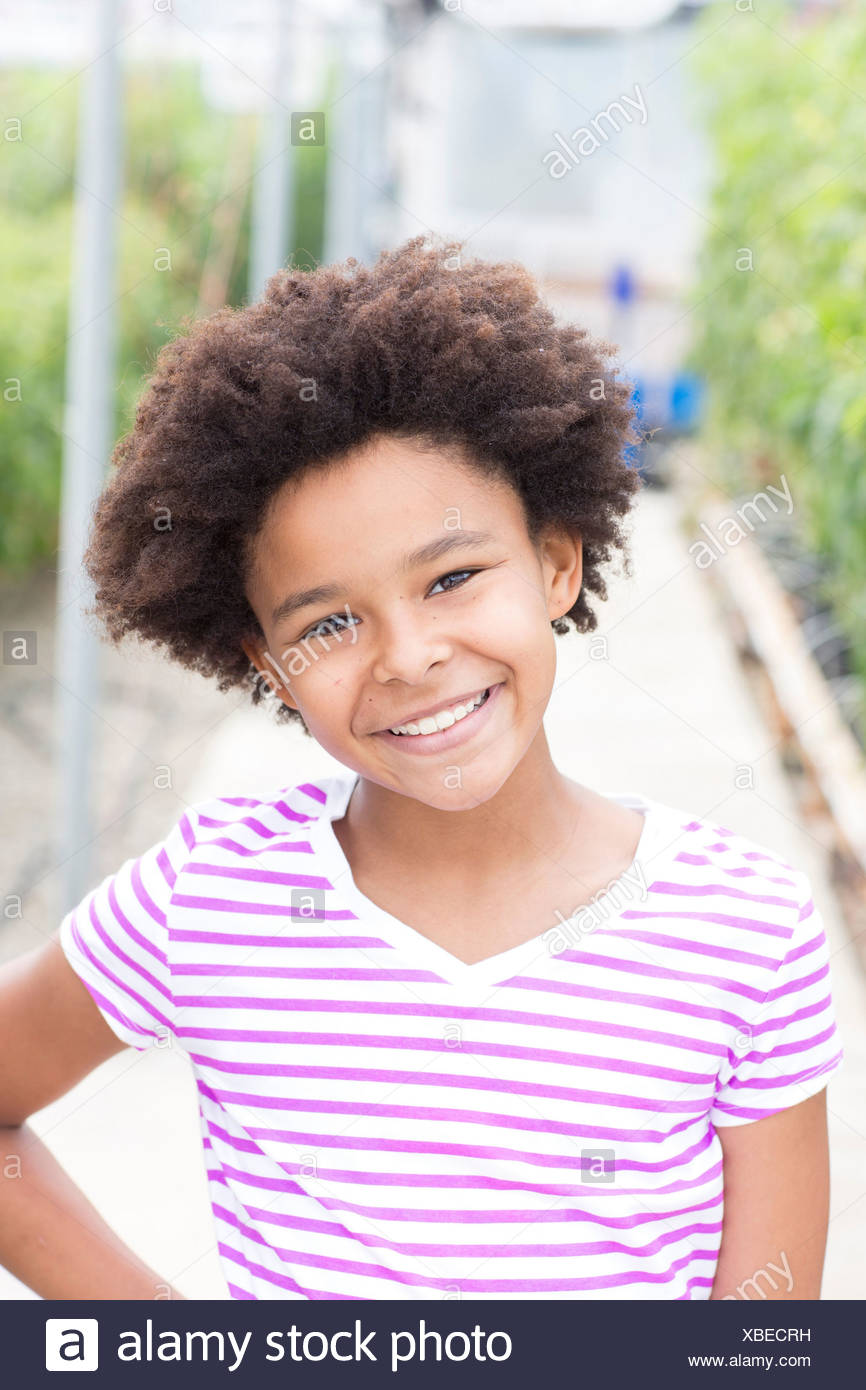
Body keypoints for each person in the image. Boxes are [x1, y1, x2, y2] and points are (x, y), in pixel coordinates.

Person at [0, 237, 843, 1301]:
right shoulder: (209, 896)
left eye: (450, 577)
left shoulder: (740, 927)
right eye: (331, 621)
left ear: (553, 561)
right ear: (268, 662)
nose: (408, 656)